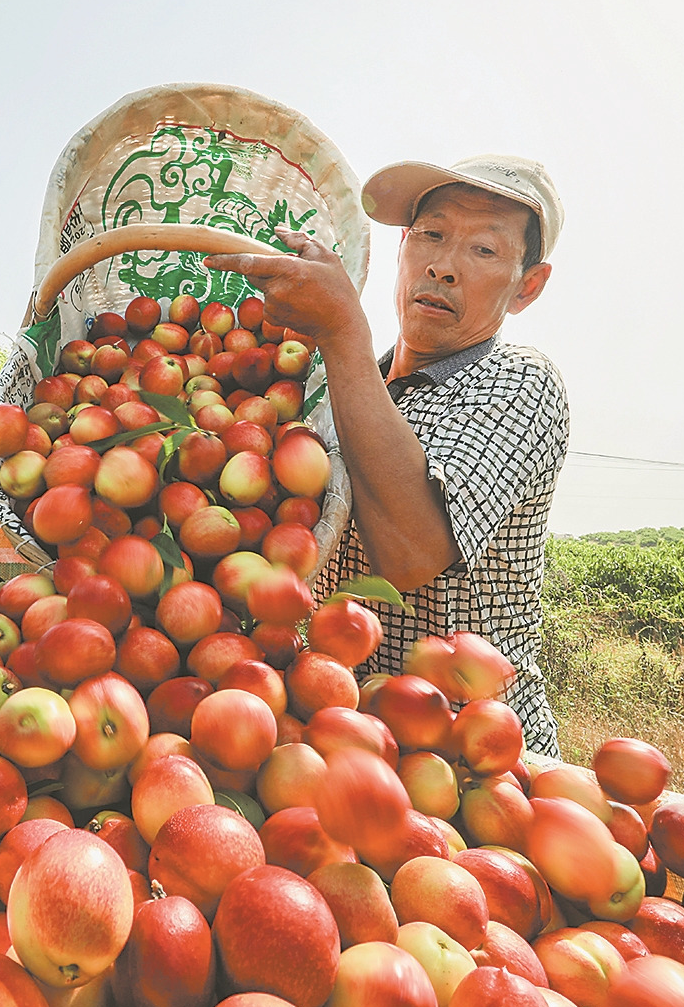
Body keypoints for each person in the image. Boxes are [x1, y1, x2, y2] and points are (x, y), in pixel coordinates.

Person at [206, 155, 570, 757]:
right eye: (431, 234)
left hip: (473, 753)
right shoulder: (343, 388)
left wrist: (341, 331)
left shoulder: (520, 383)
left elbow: (409, 552)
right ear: (403, 247)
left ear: (526, 286)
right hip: (346, 734)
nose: (443, 266)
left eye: (484, 250)